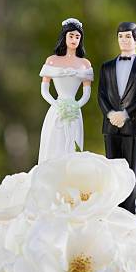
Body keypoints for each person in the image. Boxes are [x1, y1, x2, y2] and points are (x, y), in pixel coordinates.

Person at [98, 21, 136, 213]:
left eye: (128, 36)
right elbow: (102, 96)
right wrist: (110, 114)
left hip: (133, 128)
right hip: (111, 127)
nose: (124, 40)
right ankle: (113, 212)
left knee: (130, 174)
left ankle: (129, 214)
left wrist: (125, 115)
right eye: (120, 36)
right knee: (112, 173)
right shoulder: (107, 67)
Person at [38, 18, 93, 163]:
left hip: (74, 111)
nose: (74, 39)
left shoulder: (85, 64)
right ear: (65, 37)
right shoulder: (52, 61)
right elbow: (44, 90)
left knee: (72, 144)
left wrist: (75, 106)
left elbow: (86, 94)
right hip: (57, 110)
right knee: (54, 143)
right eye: (71, 36)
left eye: (77, 36)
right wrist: (57, 105)